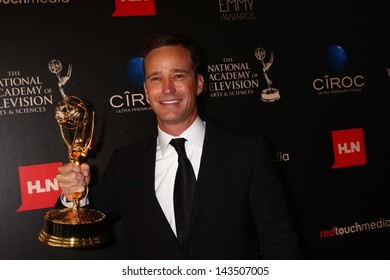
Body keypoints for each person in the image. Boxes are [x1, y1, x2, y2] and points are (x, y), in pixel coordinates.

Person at [56, 33, 302, 260]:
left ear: (199, 83)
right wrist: (74, 195)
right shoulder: (125, 163)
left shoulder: (246, 152)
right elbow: (86, 227)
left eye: (178, 75)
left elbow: (279, 238)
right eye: (156, 78)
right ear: (145, 90)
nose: (167, 89)